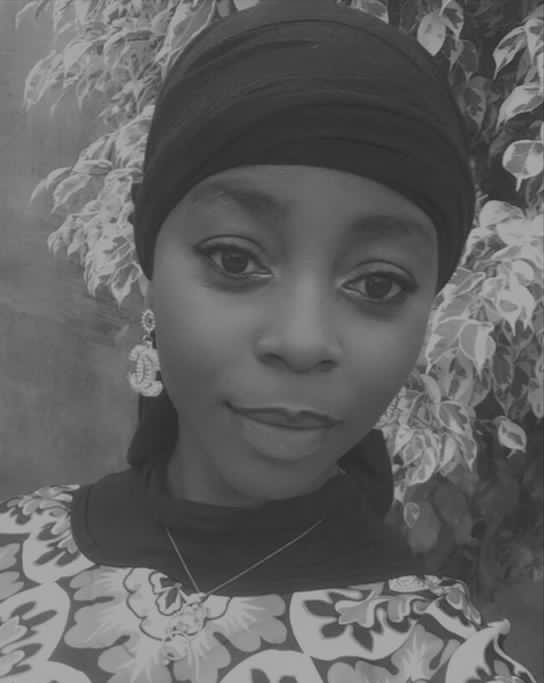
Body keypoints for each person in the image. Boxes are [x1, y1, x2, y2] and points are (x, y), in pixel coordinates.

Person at [0, 1, 538, 681]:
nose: (303, 341)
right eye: (235, 259)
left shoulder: (443, 660)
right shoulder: (18, 547)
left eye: (377, 284)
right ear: (149, 255)